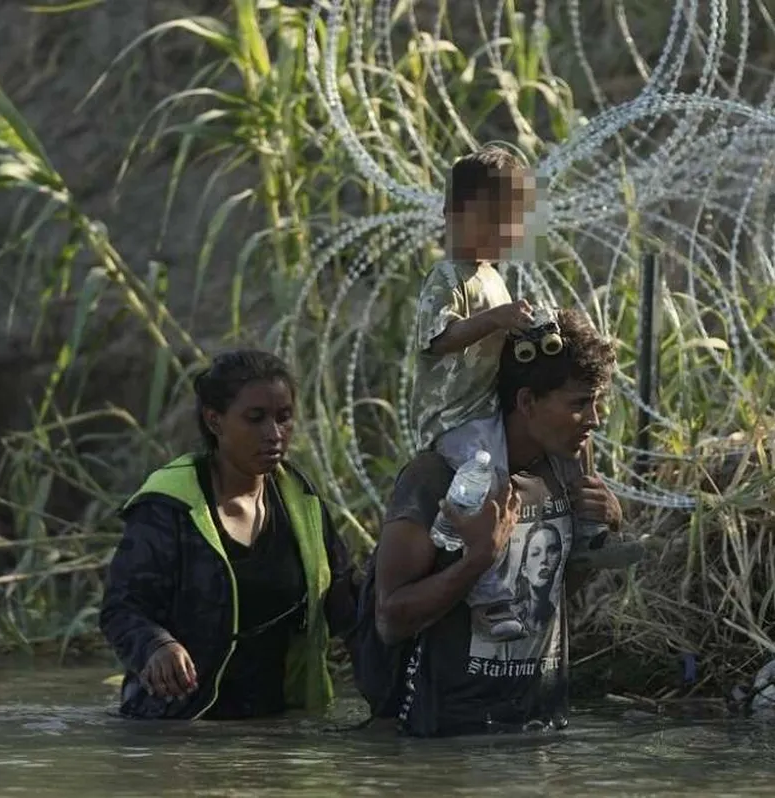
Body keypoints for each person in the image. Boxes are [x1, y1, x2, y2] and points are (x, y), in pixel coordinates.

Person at [375, 307, 624, 737]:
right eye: (580, 404)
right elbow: (391, 619)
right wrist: (478, 559)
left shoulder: (564, 470)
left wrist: (605, 527)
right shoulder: (437, 477)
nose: (595, 419)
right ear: (527, 401)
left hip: (542, 727)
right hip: (450, 737)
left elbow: (551, 594)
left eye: (598, 402)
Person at [99, 350, 357, 720]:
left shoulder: (300, 499)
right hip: (180, 727)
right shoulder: (170, 505)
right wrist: (157, 647)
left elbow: (342, 596)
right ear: (215, 421)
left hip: (280, 723)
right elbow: (120, 609)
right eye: (255, 419)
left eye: (284, 418)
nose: (274, 434)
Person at [410, 143, 540, 643]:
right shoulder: (445, 279)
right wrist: (497, 319)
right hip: (453, 415)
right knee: (485, 479)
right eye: (492, 220)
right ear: (454, 216)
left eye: (510, 222)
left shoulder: (494, 278)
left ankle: (450, 527)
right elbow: (439, 339)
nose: (504, 234)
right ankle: (487, 598)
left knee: (510, 479)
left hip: (487, 407)